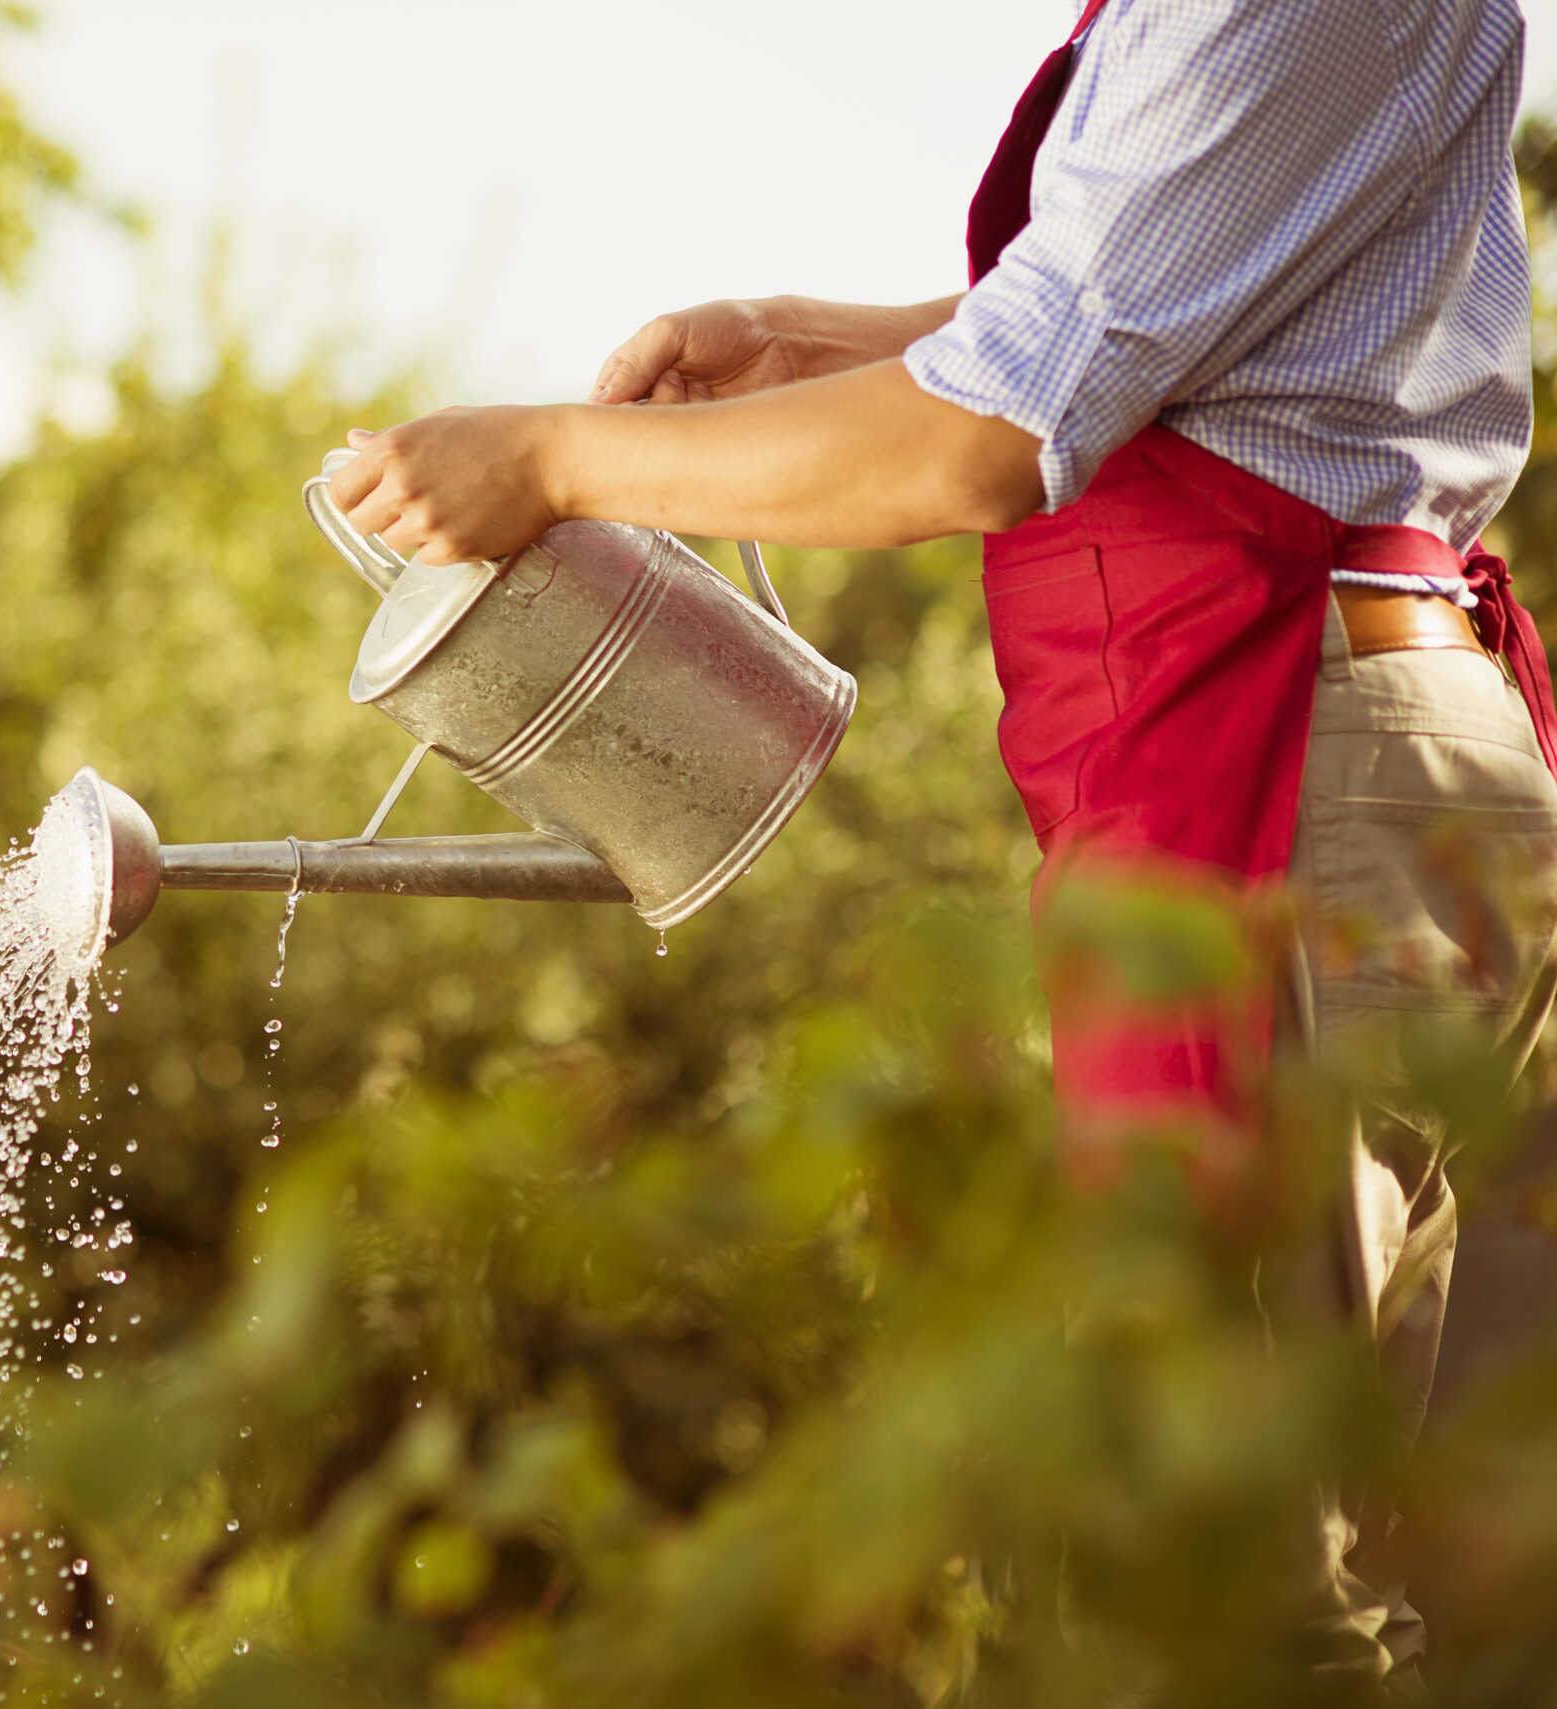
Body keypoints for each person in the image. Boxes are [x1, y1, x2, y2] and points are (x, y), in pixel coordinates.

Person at [327, 0, 1557, 1684]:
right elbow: (1159, 294)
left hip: (1281, 753)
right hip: (1310, 749)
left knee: (1204, 1584)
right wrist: (807, 339)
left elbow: (989, 438)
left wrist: (552, 461)